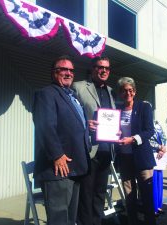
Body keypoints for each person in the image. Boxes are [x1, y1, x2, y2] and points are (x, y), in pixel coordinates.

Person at [32, 55, 90, 225]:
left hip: (76, 167)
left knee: (70, 218)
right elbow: (45, 126)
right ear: (53, 73)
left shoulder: (72, 97)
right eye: (63, 69)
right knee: (58, 219)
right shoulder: (47, 93)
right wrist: (57, 155)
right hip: (58, 170)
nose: (68, 73)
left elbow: (73, 126)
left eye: (71, 70)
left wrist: (88, 125)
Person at [72, 56, 116, 225]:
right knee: (86, 196)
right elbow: (71, 116)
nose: (103, 70)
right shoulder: (79, 87)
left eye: (107, 68)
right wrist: (84, 124)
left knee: (99, 194)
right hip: (88, 151)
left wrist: (116, 131)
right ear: (93, 69)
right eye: (100, 67)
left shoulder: (112, 91)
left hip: (106, 151)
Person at [116, 77, 156, 225]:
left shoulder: (144, 107)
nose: (128, 93)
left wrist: (132, 139)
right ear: (120, 93)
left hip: (142, 158)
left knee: (146, 194)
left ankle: (150, 222)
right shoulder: (117, 110)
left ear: (135, 92)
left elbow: (149, 131)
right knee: (129, 195)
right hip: (124, 158)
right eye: (124, 90)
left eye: (130, 90)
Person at [149, 121, 167, 217]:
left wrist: (162, 149)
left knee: (159, 182)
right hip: (152, 155)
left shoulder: (157, 124)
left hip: (160, 155)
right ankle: (154, 208)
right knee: (153, 182)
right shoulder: (146, 124)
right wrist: (159, 147)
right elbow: (147, 139)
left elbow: (164, 137)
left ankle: (159, 206)